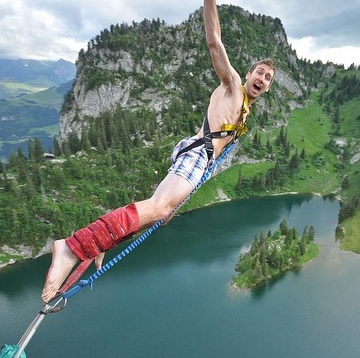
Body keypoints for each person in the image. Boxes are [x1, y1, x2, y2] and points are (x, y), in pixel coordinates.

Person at [41, 0, 276, 303]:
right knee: (160, 208)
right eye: (259, 72)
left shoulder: (246, 109)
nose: (262, 79)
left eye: (268, 78)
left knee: (157, 216)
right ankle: (74, 246)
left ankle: (100, 242)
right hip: (196, 155)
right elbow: (213, 41)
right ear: (248, 74)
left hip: (199, 162)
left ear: (268, 88)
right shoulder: (232, 86)